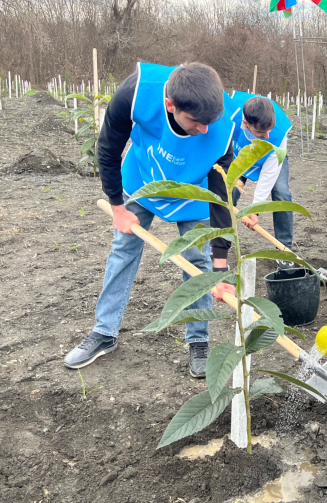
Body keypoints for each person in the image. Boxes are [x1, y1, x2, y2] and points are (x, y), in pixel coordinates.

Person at [63, 62, 238, 378]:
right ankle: (104, 332)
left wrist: (222, 265)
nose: (205, 130)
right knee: (123, 249)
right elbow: (108, 150)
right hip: (143, 179)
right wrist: (117, 207)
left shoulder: (222, 131)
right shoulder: (136, 93)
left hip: (193, 192)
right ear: (170, 105)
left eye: (211, 121)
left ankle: (198, 340)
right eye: (196, 122)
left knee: (198, 262)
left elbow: (221, 199)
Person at [228, 92, 295, 254]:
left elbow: (269, 174)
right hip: (238, 153)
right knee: (229, 191)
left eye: (269, 130)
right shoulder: (230, 113)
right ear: (245, 123)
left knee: (281, 192)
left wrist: (254, 209)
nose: (267, 136)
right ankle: (219, 244)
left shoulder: (278, 134)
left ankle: (284, 249)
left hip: (269, 156)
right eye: (260, 133)